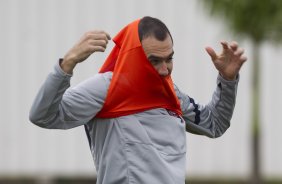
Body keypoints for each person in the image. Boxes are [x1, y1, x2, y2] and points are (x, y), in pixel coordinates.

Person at [29, 16, 247, 184]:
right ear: (134, 55)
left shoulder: (172, 92)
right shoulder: (106, 87)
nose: (164, 70)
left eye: (169, 58)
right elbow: (42, 116)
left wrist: (227, 80)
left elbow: (214, 124)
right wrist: (67, 63)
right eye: (154, 61)